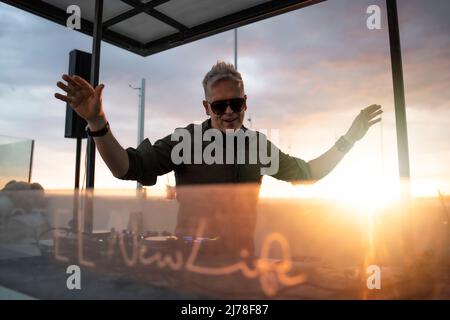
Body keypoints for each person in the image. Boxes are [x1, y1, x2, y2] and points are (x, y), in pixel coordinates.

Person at [54, 61, 382, 255]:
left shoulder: (258, 146)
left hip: (242, 267)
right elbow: (127, 168)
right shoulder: (184, 140)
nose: (228, 113)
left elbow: (308, 173)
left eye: (235, 104)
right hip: (188, 264)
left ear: (245, 103)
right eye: (219, 105)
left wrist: (349, 139)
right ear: (206, 107)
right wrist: (97, 122)